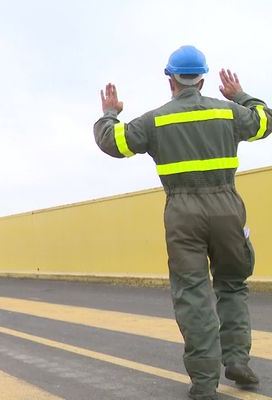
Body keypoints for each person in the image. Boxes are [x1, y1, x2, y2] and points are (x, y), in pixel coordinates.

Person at [94, 45, 270, 400]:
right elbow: (265, 120)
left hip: (182, 214)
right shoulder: (229, 113)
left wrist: (110, 113)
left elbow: (113, 142)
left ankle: (204, 383)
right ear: (203, 78)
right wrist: (242, 95)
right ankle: (237, 360)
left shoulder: (155, 120)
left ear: (170, 79)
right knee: (232, 286)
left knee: (193, 295)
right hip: (228, 209)